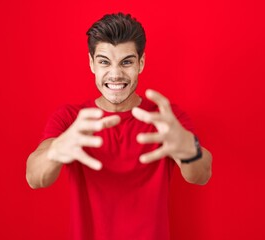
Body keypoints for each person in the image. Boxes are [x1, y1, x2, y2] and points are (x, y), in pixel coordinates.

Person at [26, 12, 212, 240]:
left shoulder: (165, 118)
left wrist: (190, 150)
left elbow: (202, 174)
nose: (115, 74)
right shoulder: (70, 119)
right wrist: (55, 150)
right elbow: (34, 178)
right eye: (104, 62)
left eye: (127, 62)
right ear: (91, 63)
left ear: (141, 63)